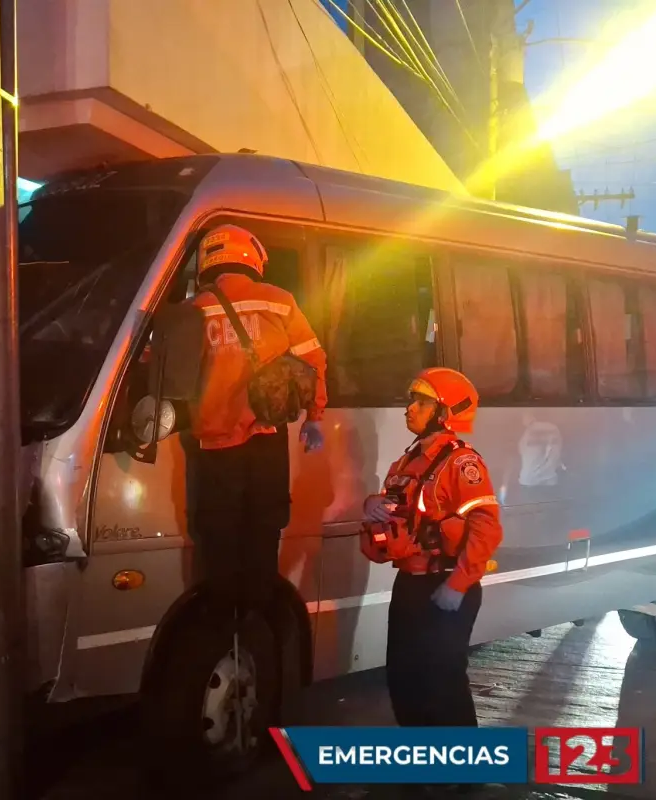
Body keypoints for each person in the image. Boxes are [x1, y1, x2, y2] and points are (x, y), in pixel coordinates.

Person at [185, 223, 328, 619]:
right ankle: (257, 621)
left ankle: (222, 622)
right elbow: (313, 361)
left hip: (213, 449)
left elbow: (166, 373)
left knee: (217, 539)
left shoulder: (194, 309)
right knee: (264, 533)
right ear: (252, 256)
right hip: (267, 438)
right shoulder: (279, 302)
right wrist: (313, 416)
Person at [362, 367, 503, 734]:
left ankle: (461, 773)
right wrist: (371, 504)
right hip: (410, 584)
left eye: (421, 402)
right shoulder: (408, 460)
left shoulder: (462, 463)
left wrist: (458, 585)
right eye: (411, 401)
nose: (409, 409)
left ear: (444, 412)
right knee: (404, 680)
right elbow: (397, 507)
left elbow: (486, 528)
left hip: (446, 584)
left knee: (442, 682)